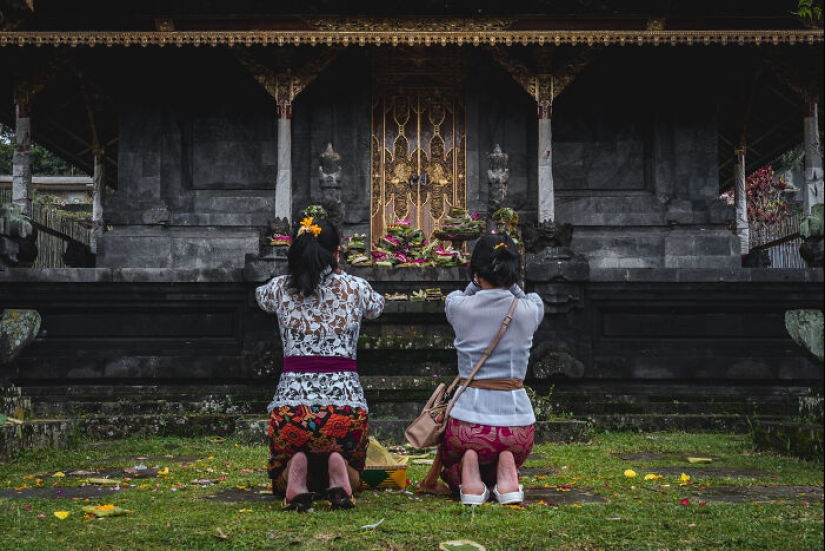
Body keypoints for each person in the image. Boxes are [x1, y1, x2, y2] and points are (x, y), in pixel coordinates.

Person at [255, 215, 385, 511]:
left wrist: (296, 274)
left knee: (278, 475)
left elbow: (259, 298)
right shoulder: (356, 288)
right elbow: (378, 307)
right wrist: (340, 275)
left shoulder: (278, 288)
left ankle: (295, 469)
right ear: (336, 252)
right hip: (345, 414)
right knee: (357, 476)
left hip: (291, 415)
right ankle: (338, 467)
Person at [437, 233, 544, 506]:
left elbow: (461, 294)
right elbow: (527, 296)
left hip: (467, 427)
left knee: (453, 455)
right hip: (517, 428)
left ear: (475, 272)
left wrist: (477, 282)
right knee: (508, 448)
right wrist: (511, 285)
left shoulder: (459, 307)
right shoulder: (529, 309)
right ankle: (507, 467)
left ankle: (469, 467)